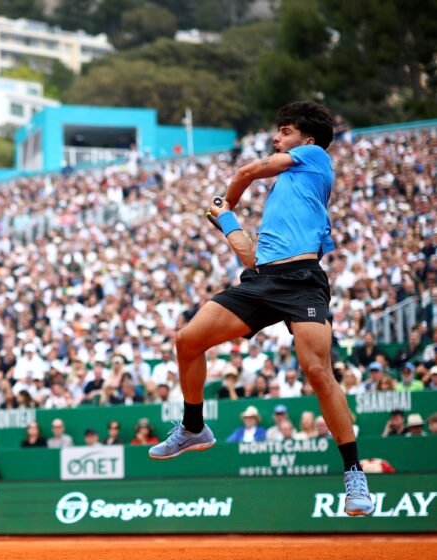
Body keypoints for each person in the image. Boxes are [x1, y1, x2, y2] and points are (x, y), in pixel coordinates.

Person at [148, 101, 373, 516]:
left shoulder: (315, 156)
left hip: (303, 281)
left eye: (284, 131)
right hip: (261, 281)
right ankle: (194, 427)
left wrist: (225, 201)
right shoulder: (284, 193)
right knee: (188, 340)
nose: (276, 137)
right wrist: (229, 223)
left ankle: (353, 473)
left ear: (305, 139)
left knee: (317, 371)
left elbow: (246, 172)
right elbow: (251, 260)